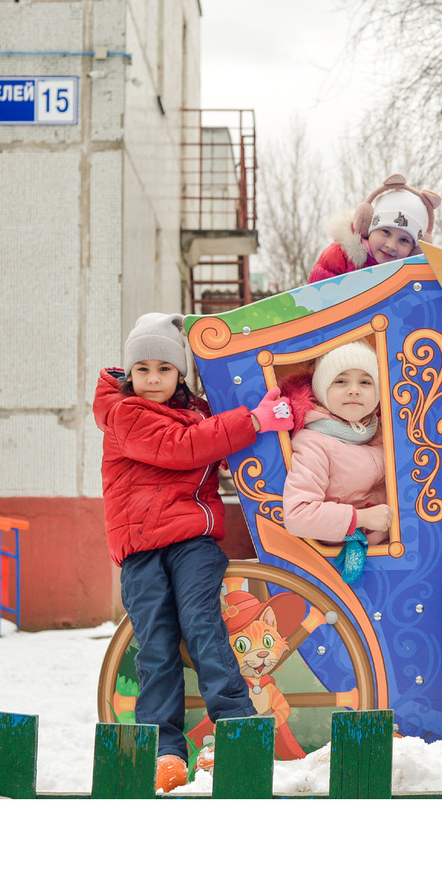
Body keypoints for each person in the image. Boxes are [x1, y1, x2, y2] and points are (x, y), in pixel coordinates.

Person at [95, 311, 297, 791]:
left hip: (191, 542)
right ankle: (164, 749)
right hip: (143, 546)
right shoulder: (124, 414)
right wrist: (253, 420)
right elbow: (183, 448)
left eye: (164, 369)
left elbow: (210, 443)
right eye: (142, 369)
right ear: (128, 373)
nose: (152, 379)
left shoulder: (200, 412)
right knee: (158, 645)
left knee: (204, 627)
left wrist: (269, 420)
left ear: (178, 372)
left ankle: (234, 731)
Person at [274, 342, 392, 557]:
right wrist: (361, 518)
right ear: (322, 390)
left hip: (392, 547)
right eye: (341, 381)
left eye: (365, 382)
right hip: (342, 555)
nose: (354, 390)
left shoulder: (385, 433)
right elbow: (298, 515)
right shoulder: (313, 442)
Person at [307, 174, 438, 284]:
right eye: (386, 232)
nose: (391, 245)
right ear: (368, 226)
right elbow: (315, 304)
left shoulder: (409, 280)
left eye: (404, 240)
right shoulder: (337, 257)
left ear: (415, 250)